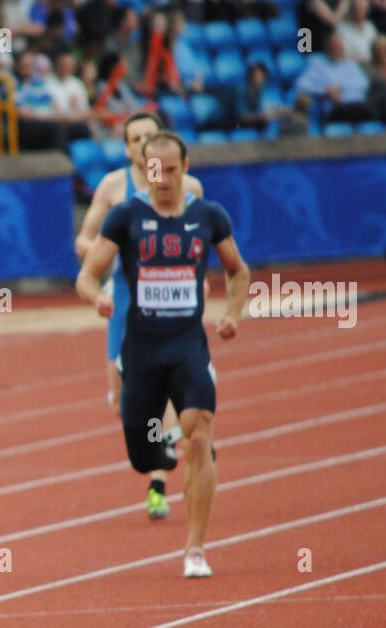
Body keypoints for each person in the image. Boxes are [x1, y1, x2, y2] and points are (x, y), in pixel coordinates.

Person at [77, 131, 250, 578]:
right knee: (143, 455)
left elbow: (238, 269)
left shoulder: (209, 216)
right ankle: (162, 455)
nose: (164, 179)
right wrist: (96, 297)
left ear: (185, 167)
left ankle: (195, 548)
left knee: (199, 435)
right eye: (155, 170)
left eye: (172, 170)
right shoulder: (125, 216)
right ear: (144, 169)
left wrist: (233, 312)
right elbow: (87, 273)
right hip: (141, 350)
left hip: (188, 345)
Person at [75, 111, 204, 520]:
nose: (141, 145)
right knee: (121, 397)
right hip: (126, 297)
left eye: (149, 137)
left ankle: (158, 481)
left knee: (164, 382)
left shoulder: (191, 188)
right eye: (134, 139)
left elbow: (201, 239)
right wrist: (100, 258)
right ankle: (170, 439)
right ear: (128, 147)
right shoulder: (115, 187)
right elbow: (84, 238)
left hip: (170, 302)